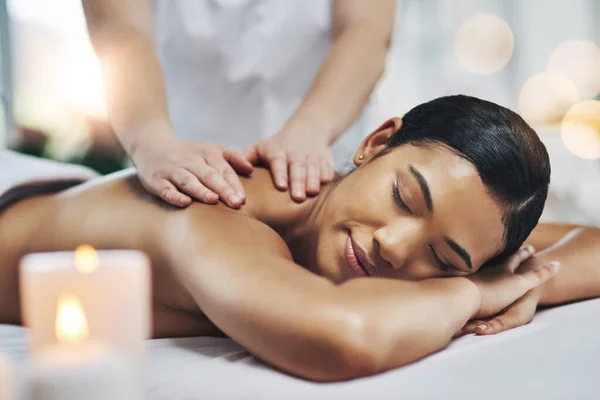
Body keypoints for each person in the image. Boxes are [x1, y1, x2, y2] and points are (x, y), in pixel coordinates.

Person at [1, 96, 599, 382]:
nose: (395, 244)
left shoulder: (395, 225)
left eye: (443, 258)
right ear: (374, 143)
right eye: (403, 199)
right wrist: (476, 293)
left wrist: (524, 283)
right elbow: (341, 338)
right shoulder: (212, 213)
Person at [81, 0, 396, 208]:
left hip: (320, 155)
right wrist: (150, 140)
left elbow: (366, 31)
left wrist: (312, 128)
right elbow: (122, 33)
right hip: (189, 164)